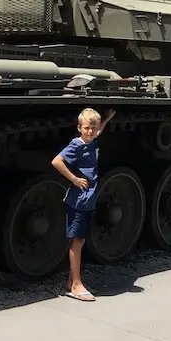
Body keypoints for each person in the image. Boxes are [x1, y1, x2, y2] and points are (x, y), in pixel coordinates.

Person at [51, 107, 115, 301]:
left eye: (93, 128)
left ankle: (73, 280)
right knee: (77, 241)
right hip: (79, 198)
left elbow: (99, 131)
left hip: (88, 198)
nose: (90, 131)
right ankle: (76, 285)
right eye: (86, 128)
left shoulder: (93, 139)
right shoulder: (77, 145)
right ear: (79, 128)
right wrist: (74, 179)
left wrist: (106, 119)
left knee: (81, 239)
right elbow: (56, 161)